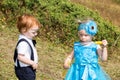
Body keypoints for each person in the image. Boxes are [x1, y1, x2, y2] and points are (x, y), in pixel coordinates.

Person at [13, 14, 41, 80]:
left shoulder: (27, 38)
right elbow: (20, 57)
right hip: (25, 69)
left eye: (36, 32)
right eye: (33, 32)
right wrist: (32, 63)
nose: (36, 34)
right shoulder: (23, 43)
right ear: (24, 30)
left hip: (27, 69)